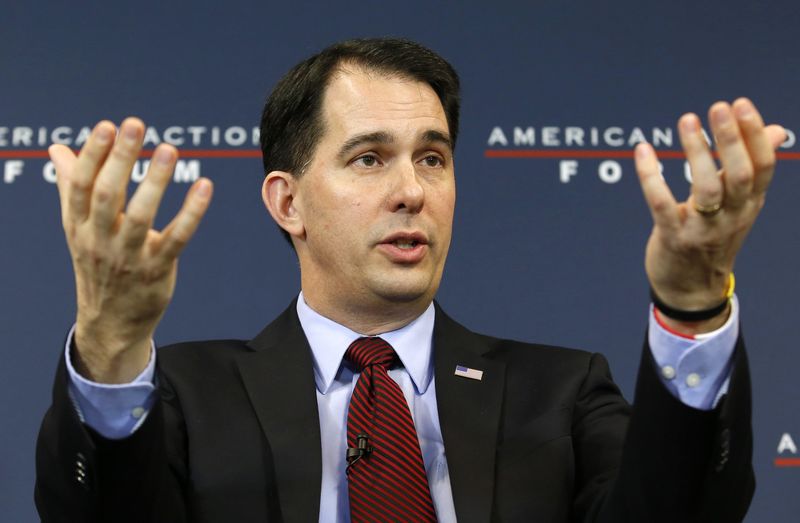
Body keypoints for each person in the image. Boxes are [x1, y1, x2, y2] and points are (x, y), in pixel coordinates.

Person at [35, 38, 785, 522]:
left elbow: (687, 509)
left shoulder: (560, 391)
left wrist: (691, 304)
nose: (413, 191)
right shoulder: (184, 395)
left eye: (432, 157)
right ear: (287, 201)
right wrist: (111, 339)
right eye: (369, 158)